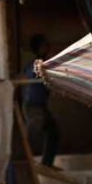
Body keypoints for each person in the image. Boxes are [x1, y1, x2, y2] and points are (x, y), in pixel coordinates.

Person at [24, 34, 60, 168]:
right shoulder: (37, 64)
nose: (48, 48)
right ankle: (24, 162)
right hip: (34, 106)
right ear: (39, 49)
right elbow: (36, 74)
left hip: (39, 105)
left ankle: (46, 164)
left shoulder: (40, 63)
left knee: (53, 133)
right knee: (32, 135)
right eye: (45, 46)